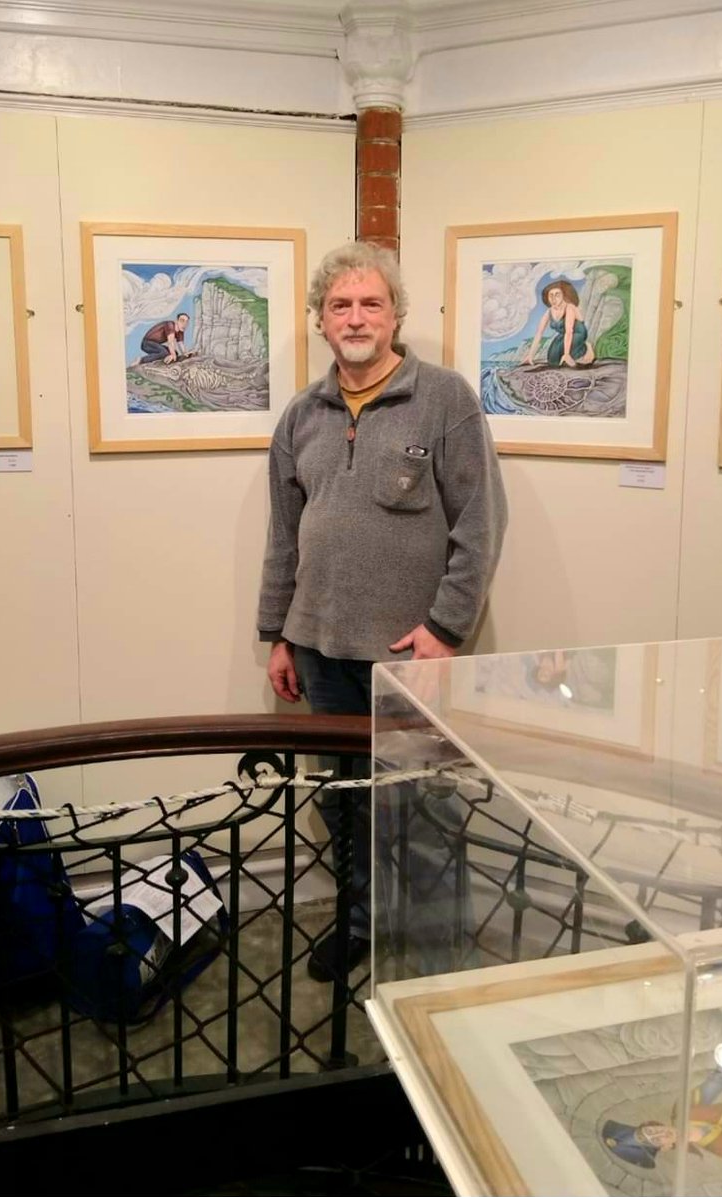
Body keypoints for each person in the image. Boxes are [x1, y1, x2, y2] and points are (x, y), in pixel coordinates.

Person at [257, 241, 507, 981]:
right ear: (319, 321)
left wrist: (445, 628)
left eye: (370, 303)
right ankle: (362, 923)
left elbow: (481, 524)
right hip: (317, 649)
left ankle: (435, 953)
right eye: (340, 305)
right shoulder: (300, 415)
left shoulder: (445, 399)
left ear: (395, 315)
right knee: (342, 806)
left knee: (423, 812)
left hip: (407, 656)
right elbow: (283, 535)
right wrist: (275, 634)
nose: (355, 316)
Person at [524, 279, 595, 368]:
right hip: (564, 335)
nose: (553, 299)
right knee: (552, 360)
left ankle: (586, 347)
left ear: (563, 296)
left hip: (578, 333)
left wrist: (566, 354)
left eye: (557, 295)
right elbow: (539, 333)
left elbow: (569, 331)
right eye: (551, 295)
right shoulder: (549, 312)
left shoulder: (569, 307)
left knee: (566, 357)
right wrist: (530, 356)